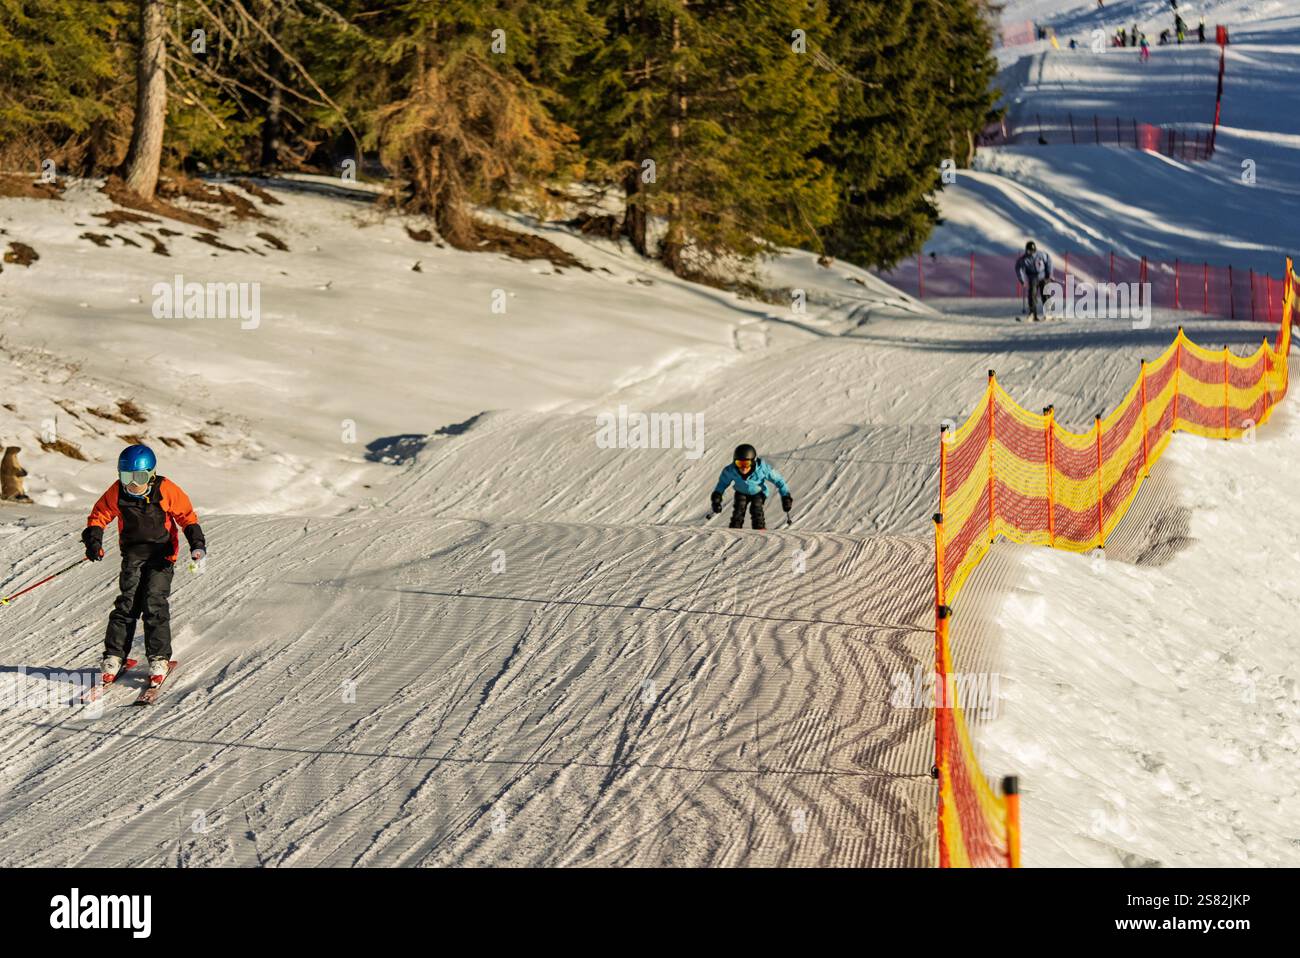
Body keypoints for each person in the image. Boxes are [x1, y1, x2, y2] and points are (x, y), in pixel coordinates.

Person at [83, 445, 206, 686]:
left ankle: (158, 658)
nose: (133, 484)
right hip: (132, 556)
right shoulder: (118, 492)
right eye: (126, 477)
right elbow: (99, 515)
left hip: (161, 557)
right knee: (127, 603)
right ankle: (114, 656)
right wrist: (93, 540)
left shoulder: (166, 489)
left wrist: (197, 545)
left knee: (154, 603)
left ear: (151, 474)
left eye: (139, 477)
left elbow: (187, 517)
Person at [711, 444, 791, 530]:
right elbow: (722, 483)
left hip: (758, 492)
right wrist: (717, 497)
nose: (743, 467)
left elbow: (779, 480)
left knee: (756, 507)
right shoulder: (731, 470)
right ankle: (735, 528)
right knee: (739, 508)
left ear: (753, 462)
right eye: (739, 463)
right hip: (741, 491)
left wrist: (785, 496)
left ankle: (760, 528)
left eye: (746, 463)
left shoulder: (762, 469)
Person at [1015, 241, 1053, 321]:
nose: (1031, 253)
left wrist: (1049, 274)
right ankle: (1032, 314)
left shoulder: (1041, 254)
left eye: (1033, 251)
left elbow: (1049, 262)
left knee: (1046, 294)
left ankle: (1048, 313)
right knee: (1032, 295)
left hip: (1043, 277)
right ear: (1027, 250)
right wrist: (1022, 279)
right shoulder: (1024, 259)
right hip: (1032, 278)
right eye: (1029, 251)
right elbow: (1018, 268)